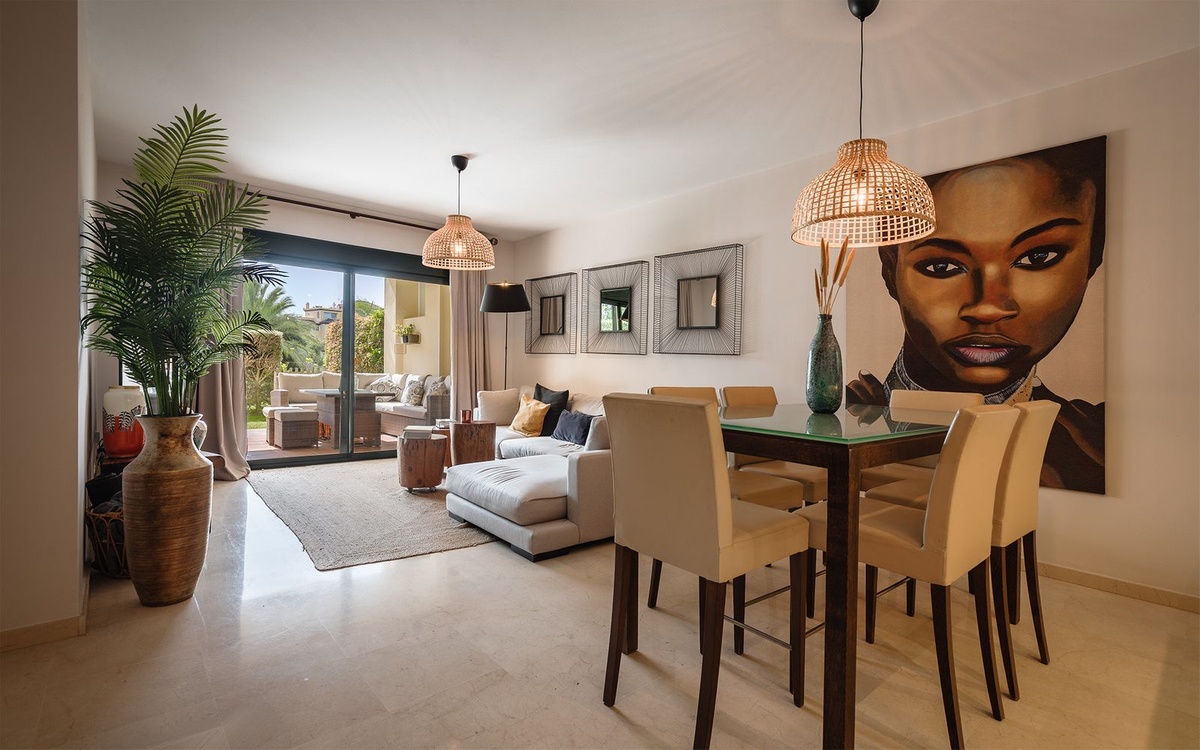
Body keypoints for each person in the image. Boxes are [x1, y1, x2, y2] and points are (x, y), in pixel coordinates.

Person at [846, 137, 1106, 494]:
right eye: (942, 266)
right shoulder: (853, 413)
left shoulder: (1086, 449)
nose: (987, 307)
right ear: (890, 270)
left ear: (1093, 257)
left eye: (1038, 258)